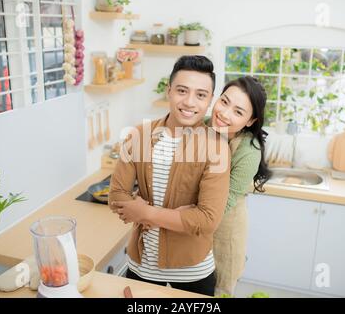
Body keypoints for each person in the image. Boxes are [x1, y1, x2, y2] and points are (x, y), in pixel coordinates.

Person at [108, 55, 231, 296]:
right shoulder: (139, 135)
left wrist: (145, 212)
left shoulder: (216, 147)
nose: (189, 102)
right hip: (142, 267)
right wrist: (179, 216)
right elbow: (116, 197)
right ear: (169, 91)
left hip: (193, 271)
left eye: (201, 95)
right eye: (182, 91)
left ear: (209, 101)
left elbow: (207, 220)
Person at [205, 76, 271, 296]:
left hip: (224, 232)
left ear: (251, 121)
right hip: (193, 228)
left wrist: (179, 221)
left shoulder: (248, 150)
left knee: (218, 291)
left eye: (238, 112)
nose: (224, 114)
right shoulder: (203, 127)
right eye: (224, 102)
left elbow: (225, 201)